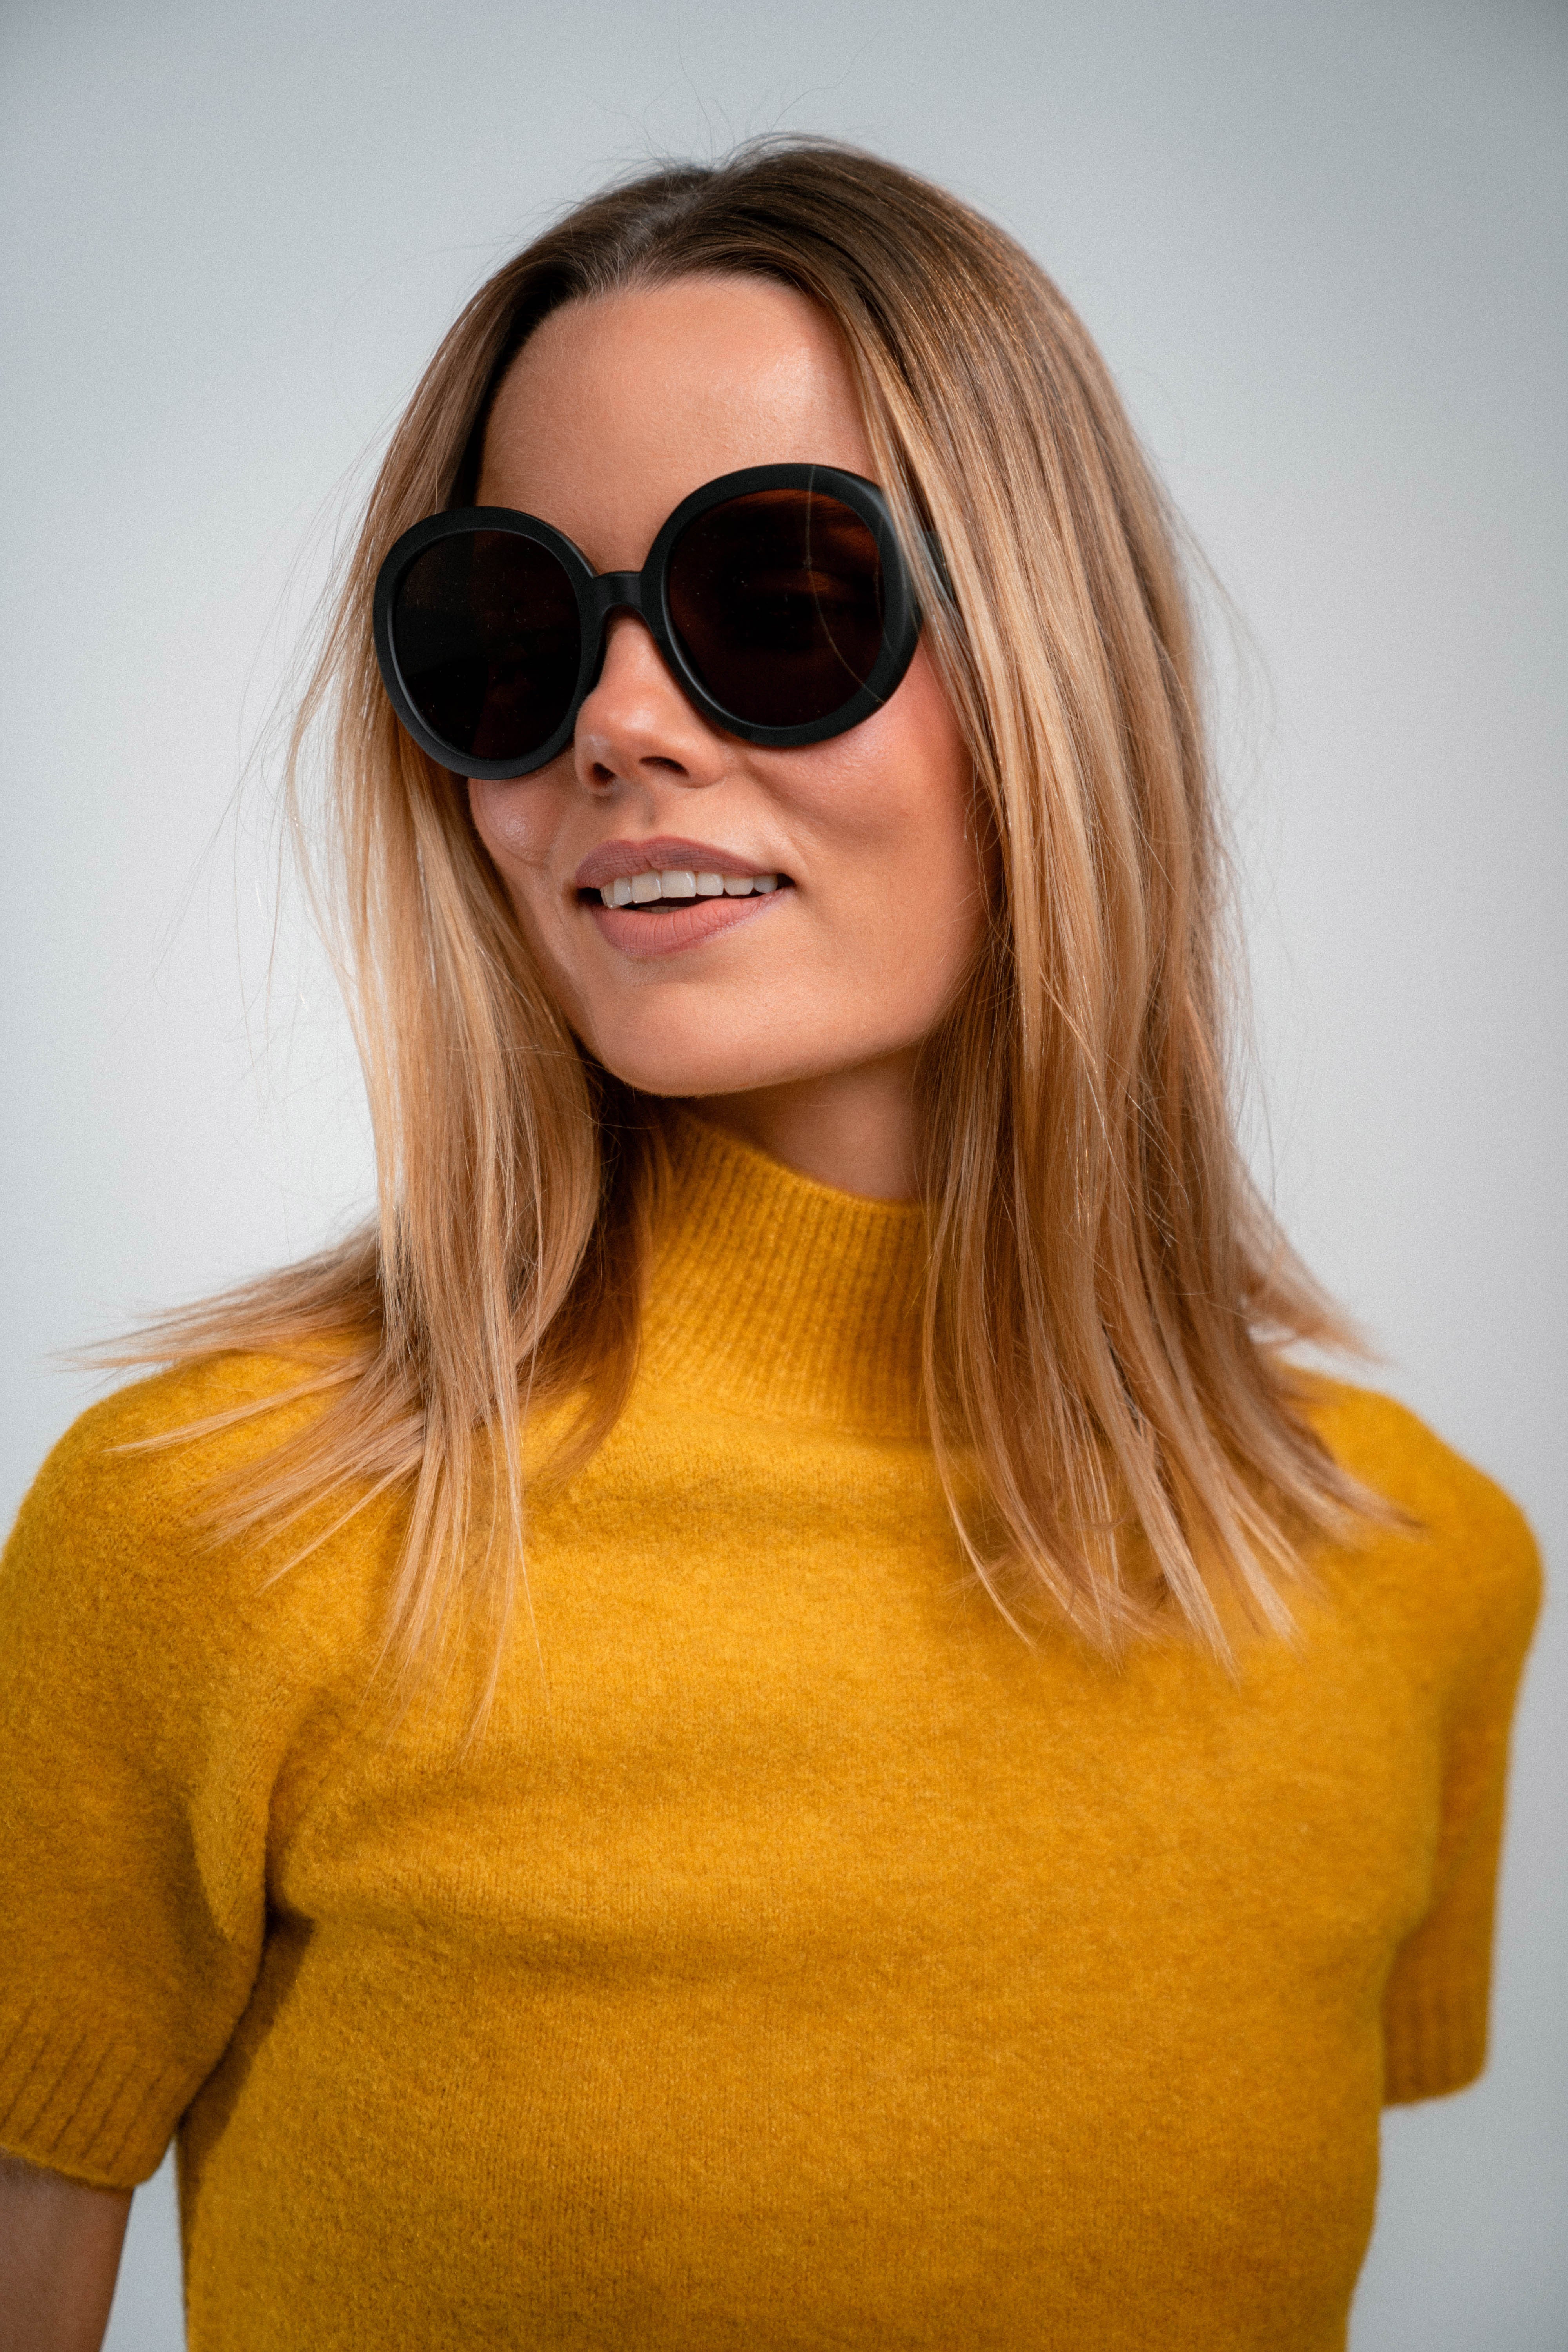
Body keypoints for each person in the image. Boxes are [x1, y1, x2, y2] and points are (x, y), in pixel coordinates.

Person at [0, 141, 1540, 2352]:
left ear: (1053, 674)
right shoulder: (221, 1534)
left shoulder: (1415, 1573)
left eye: (781, 598)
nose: (617, 724)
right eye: (509, 635)